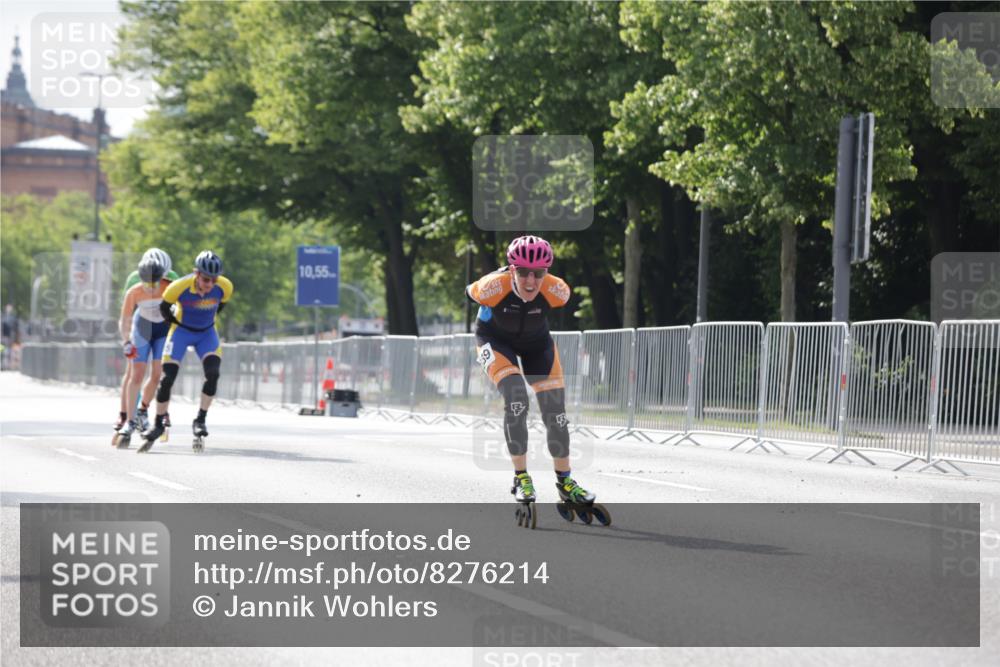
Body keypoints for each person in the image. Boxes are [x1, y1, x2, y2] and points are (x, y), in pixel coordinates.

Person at [465, 235, 597, 506]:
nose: (530, 281)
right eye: (523, 272)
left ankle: (565, 481)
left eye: (538, 274)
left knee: (556, 414)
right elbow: (468, 291)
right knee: (516, 399)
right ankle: (521, 477)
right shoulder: (491, 287)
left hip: (537, 344)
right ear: (512, 270)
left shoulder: (557, 290)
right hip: (495, 340)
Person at [140, 250, 233, 450]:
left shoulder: (224, 287)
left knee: (213, 374)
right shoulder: (177, 288)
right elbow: (165, 310)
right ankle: (157, 425)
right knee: (167, 379)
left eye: (213, 280)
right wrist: (179, 323)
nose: (210, 284)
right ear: (196, 274)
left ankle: (200, 419)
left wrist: (204, 318)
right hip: (181, 332)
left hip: (206, 334)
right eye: (206, 279)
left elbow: (220, 307)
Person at [113, 248, 179, 433]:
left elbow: (182, 306)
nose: (152, 285)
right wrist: (126, 341)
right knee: (135, 373)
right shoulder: (134, 284)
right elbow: (125, 317)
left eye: (160, 279)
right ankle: (127, 416)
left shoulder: (171, 281)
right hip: (141, 326)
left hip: (162, 328)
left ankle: (147, 409)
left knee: (159, 373)